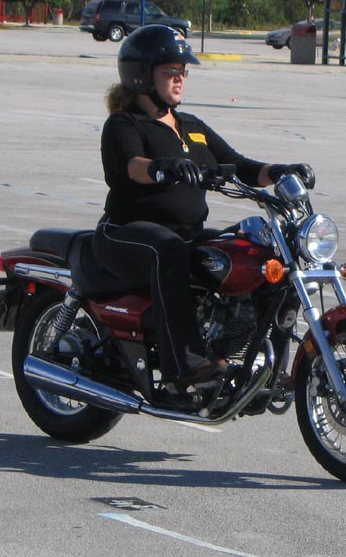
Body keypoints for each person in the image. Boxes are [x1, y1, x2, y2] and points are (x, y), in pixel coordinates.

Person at [95, 25, 315, 392]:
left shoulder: (191, 126)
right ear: (141, 74)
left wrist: (279, 171)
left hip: (187, 234)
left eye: (183, 71)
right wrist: (161, 167)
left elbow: (238, 164)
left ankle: (264, 368)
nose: (180, 78)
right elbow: (130, 166)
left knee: (260, 254)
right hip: (124, 233)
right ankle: (184, 366)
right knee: (167, 249)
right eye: (170, 70)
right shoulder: (125, 124)